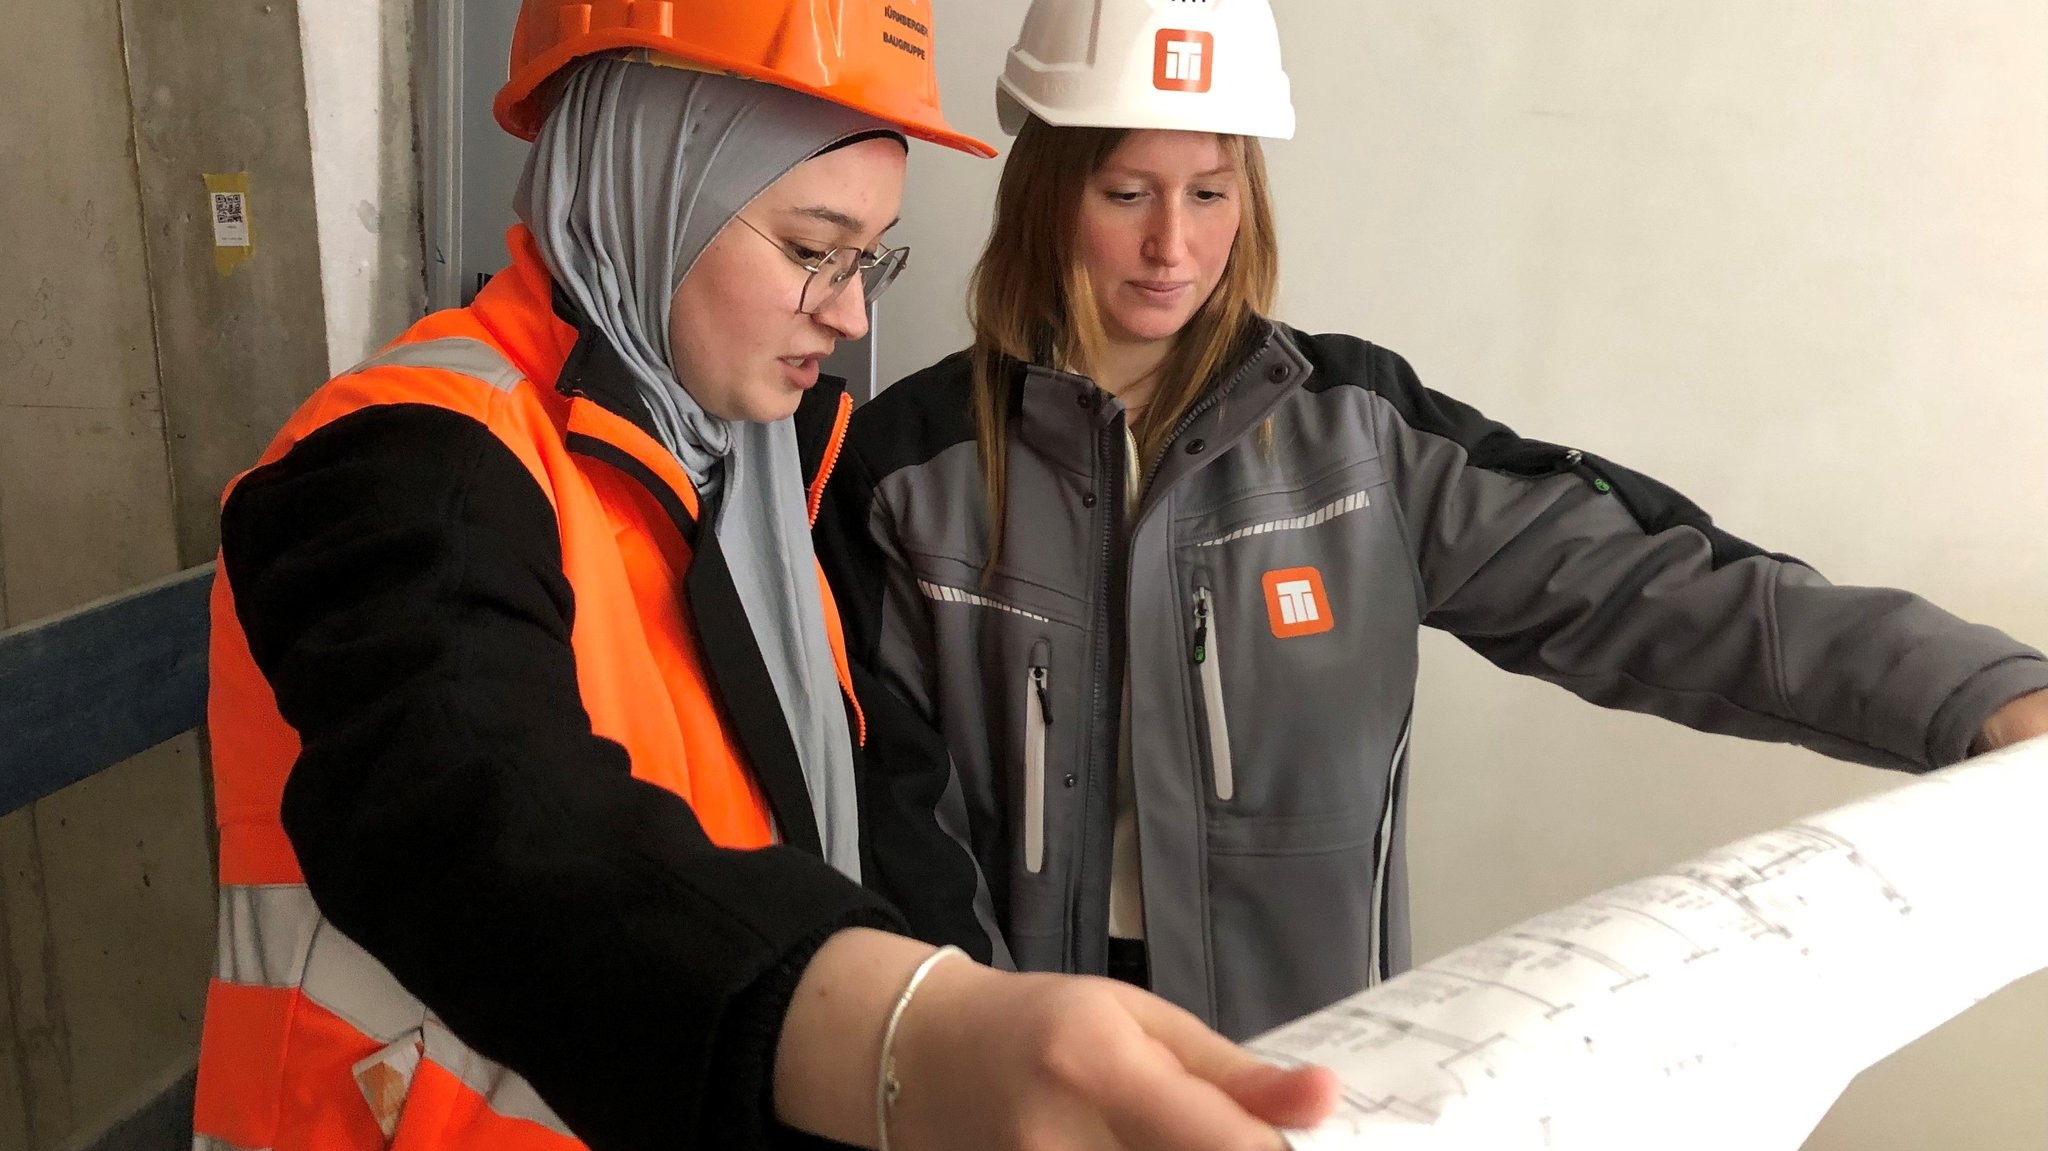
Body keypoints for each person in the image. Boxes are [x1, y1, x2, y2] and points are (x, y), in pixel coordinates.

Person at [191, 3, 1338, 1149]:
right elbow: (478, 807)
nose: (846, 312)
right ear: (657, 186)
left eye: (867, 258)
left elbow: (873, 786)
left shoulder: (754, 465)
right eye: (808, 249)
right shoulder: (405, 464)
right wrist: (896, 1035)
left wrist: (975, 998)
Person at [814, 0, 2048, 1044]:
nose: (1170, 245)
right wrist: (971, 1056)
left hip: (1304, 1055)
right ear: (1044, 193)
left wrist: (1974, 691)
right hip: (1020, 1044)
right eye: (1124, 189)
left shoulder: (1357, 435)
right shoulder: (904, 471)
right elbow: (885, 810)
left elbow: (1649, 586)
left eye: (1208, 188)